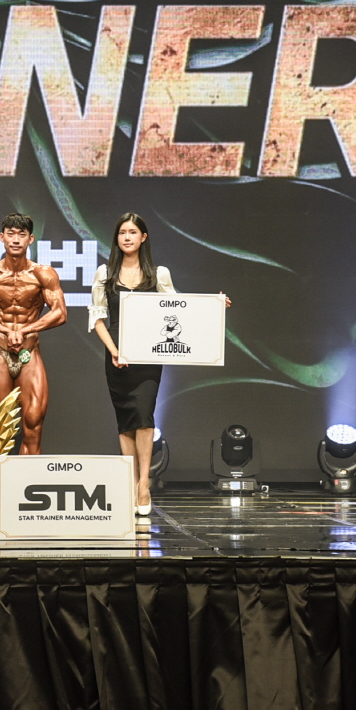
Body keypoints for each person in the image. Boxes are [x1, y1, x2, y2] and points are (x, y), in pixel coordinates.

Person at [89, 212, 231, 514]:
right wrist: (114, 350)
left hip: (147, 354)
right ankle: (131, 484)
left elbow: (180, 309)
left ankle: (144, 485)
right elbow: (97, 318)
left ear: (143, 237)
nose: (127, 237)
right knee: (126, 422)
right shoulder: (104, 273)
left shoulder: (158, 274)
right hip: (116, 354)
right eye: (122, 232)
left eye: (132, 232)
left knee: (143, 416)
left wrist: (215, 306)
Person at [0, 213, 67, 455]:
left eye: (22, 234)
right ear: (2, 237)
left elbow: (60, 313)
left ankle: (25, 477)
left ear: (31, 239)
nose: (16, 239)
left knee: (33, 422)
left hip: (29, 352)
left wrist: (24, 330)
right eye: (11, 234)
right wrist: (6, 330)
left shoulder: (43, 274)